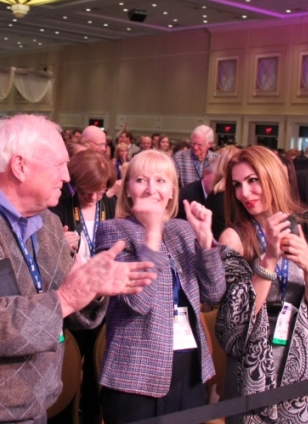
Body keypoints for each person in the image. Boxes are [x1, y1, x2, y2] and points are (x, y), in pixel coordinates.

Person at [0, 114, 156, 424]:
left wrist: (93, 288)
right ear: (19, 166)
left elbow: (66, 308)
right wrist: (65, 299)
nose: (66, 176)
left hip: (30, 410)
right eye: (59, 164)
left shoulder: (45, 222)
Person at [216, 146, 308, 424]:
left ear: (273, 177)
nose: (245, 194)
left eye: (253, 181)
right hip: (250, 372)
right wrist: (270, 259)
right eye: (237, 185)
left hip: (300, 368)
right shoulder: (235, 237)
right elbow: (235, 320)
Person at [95, 150, 225, 424]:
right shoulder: (114, 231)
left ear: (172, 191)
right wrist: (153, 232)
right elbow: (139, 302)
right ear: (128, 189)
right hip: (136, 378)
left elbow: (214, 293)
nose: (151, 189)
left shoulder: (181, 230)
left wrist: (204, 241)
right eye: (141, 180)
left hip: (189, 370)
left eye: (161, 181)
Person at [49, 149, 118, 424]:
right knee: (65, 370)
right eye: (88, 190)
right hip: (72, 303)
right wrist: (58, 245)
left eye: (100, 190)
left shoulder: (112, 208)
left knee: (96, 371)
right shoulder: (59, 209)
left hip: (104, 301)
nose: (94, 196)